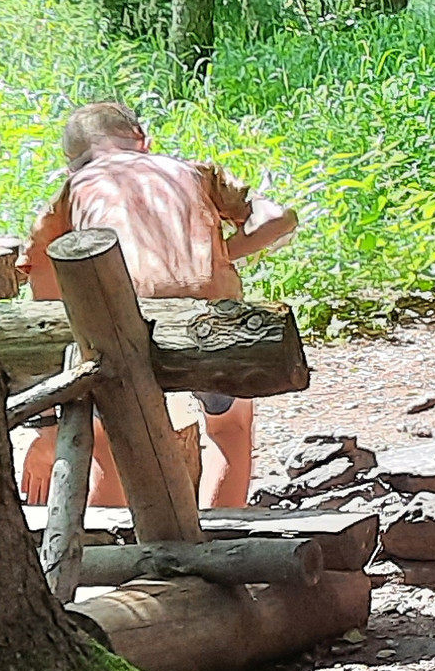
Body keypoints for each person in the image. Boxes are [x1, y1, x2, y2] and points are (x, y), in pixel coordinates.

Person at [20, 102, 297, 511]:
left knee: (108, 444)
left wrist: (46, 425)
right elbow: (278, 220)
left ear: (69, 164)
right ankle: (222, 533)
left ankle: (109, 543)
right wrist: (219, 254)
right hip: (209, 319)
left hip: (126, 322)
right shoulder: (194, 172)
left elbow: (44, 291)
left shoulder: (71, 192)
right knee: (228, 428)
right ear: (144, 142)